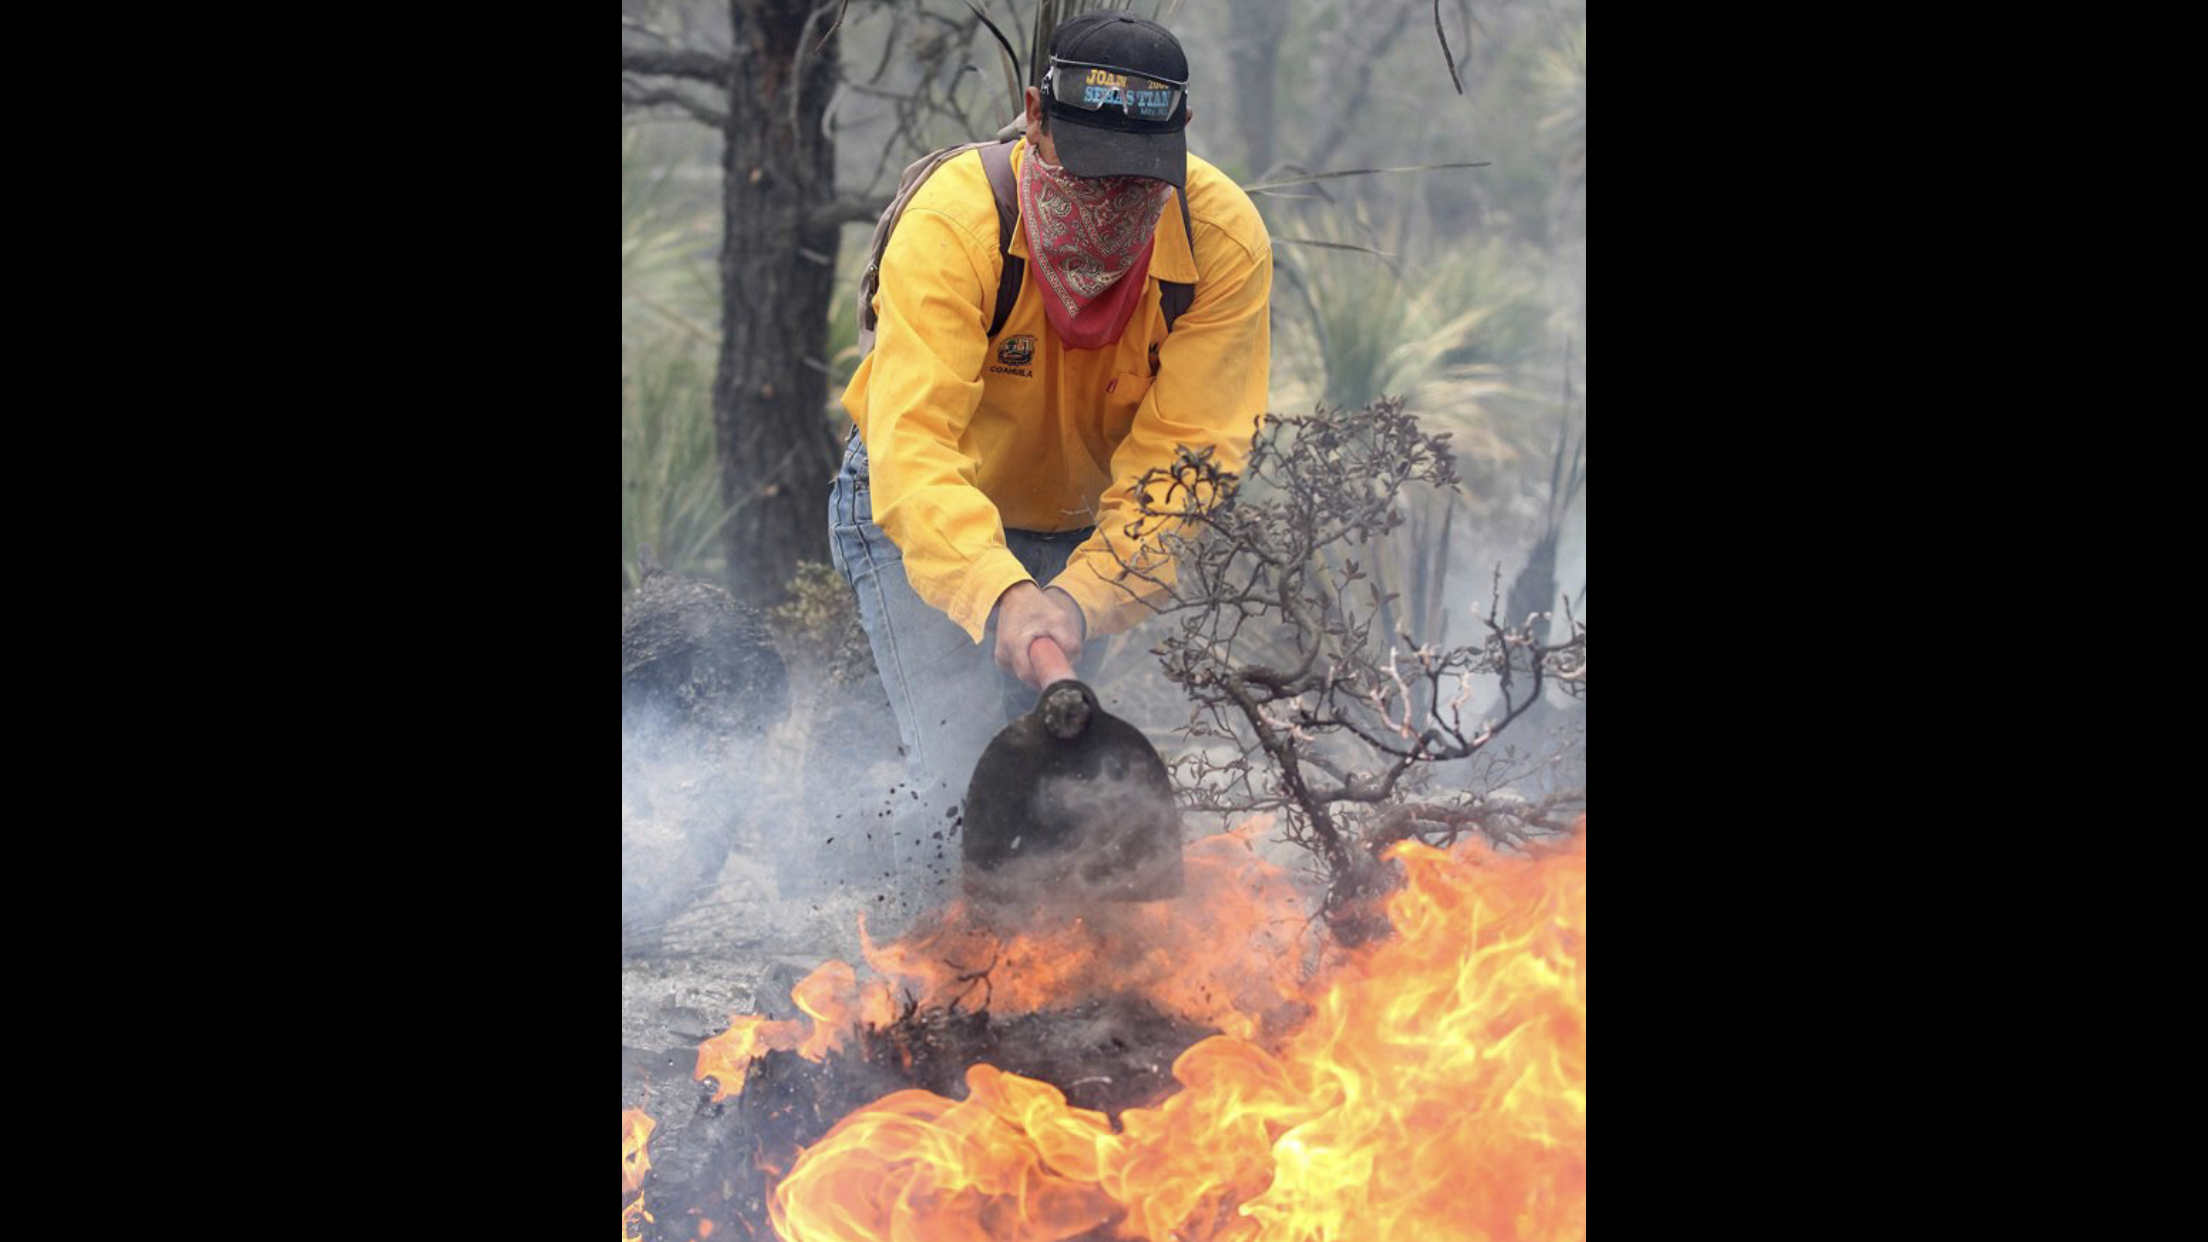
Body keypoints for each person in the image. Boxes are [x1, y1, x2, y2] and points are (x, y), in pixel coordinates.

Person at [828, 12, 1271, 916]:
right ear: (1035, 117)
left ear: (1181, 136)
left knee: (1054, 790)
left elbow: (1185, 465)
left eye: (1136, 179)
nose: (1109, 201)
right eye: (1087, 168)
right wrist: (999, 593)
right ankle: (923, 980)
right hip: (923, 512)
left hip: (1081, 536)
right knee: (956, 784)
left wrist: (1080, 597)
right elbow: (915, 449)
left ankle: (1049, 982)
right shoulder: (956, 221)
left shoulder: (1221, 245)